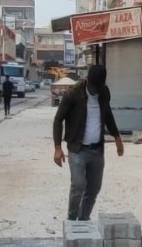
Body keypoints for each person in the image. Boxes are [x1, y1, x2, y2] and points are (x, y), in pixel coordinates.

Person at [52, 63, 123, 221]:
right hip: (78, 149)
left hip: (97, 151)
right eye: (92, 87)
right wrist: (58, 148)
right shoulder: (73, 94)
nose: (94, 90)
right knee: (78, 185)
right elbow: (58, 120)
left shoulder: (104, 93)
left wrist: (117, 138)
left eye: (97, 88)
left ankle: (84, 220)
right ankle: (71, 219)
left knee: (93, 189)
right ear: (87, 80)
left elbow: (108, 115)